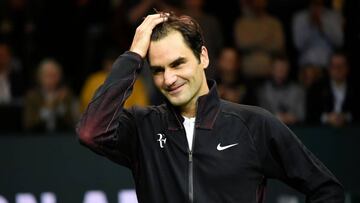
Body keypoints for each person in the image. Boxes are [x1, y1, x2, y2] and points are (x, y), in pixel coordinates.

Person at [77, 12, 344, 202]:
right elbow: (92, 131)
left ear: (202, 56)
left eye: (178, 63)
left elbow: (326, 189)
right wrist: (134, 54)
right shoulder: (142, 127)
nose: (169, 79)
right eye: (158, 70)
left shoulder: (252, 124)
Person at [24, 58, 77, 132]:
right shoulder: (32, 96)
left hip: (62, 137)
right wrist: (51, 105)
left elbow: (73, 122)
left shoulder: (66, 94)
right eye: (47, 76)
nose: (51, 80)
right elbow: (29, 124)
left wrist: (61, 106)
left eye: (54, 76)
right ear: (39, 77)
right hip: (37, 137)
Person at [292, 0, 343, 68]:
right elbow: (298, 45)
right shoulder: (299, 18)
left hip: (328, 64)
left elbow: (339, 42)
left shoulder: (333, 17)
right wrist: (310, 25)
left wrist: (322, 27)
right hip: (307, 64)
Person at [257, 56, 305, 125]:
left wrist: (291, 117)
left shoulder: (298, 90)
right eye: (278, 68)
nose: (280, 71)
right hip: (270, 129)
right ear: (271, 69)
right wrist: (277, 117)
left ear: (288, 69)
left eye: (283, 68)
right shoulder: (263, 90)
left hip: (295, 129)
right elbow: (261, 115)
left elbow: (301, 115)